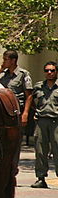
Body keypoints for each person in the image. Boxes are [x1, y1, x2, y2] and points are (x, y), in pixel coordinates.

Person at [31, 61, 58, 189]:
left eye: (52, 70)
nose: (49, 73)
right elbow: (31, 99)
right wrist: (35, 112)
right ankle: (41, 178)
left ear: (56, 71)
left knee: (57, 149)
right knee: (40, 150)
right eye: (47, 70)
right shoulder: (39, 86)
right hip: (41, 121)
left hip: (56, 122)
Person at [0, 50, 33, 128]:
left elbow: (29, 96)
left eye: (5, 59)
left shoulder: (23, 74)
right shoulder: (3, 74)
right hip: (4, 110)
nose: (3, 62)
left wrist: (25, 113)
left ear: (13, 61)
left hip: (17, 109)